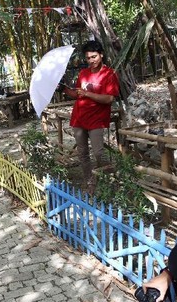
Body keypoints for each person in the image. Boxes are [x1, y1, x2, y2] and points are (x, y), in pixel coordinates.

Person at [60, 40, 120, 193]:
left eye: (94, 57)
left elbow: (109, 99)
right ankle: (90, 182)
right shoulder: (83, 73)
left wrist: (87, 93)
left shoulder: (109, 74)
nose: (91, 61)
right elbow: (77, 94)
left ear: (101, 55)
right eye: (88, 58)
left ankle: (114, 181)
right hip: (79, 117)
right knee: (82, 153)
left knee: (99, 152)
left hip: (97, 119)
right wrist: (64, 90)